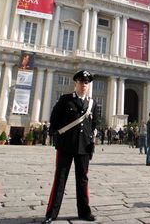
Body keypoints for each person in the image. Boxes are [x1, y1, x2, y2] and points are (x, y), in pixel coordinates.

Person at [42, 70, 97, 224]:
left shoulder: (92, 103)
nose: (84, 85)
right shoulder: (66, 100)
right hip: (66, 146)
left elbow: (93, 125)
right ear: (75, 84)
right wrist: (59, 138)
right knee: (60, 179)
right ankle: (52, 213)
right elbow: (54, 120)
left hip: (83, 148)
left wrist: (91, 143)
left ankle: (84, 212)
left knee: (83, 181)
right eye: (81, 82)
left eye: (86, 83)